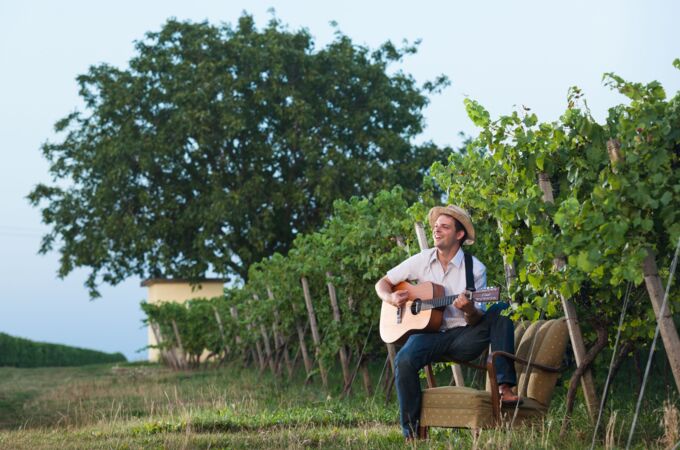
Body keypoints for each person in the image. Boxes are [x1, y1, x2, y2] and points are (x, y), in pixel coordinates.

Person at [374, 205, 520, 438]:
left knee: (501, 310)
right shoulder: (421, 260)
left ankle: (504, 387)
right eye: (435, 226)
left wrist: (470, 309)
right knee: (404, 360)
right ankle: (411, 433)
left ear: (459, 235)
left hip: (463, 336)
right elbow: (382, 283)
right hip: (429, 335)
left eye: (444, 226)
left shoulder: (475, 268)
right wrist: (390, 297)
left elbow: (476, 317)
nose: (437, 230)